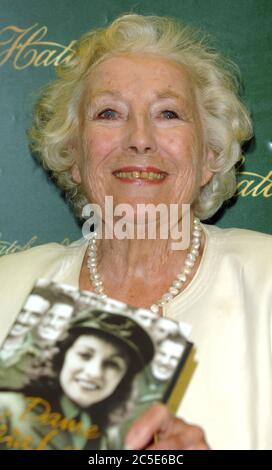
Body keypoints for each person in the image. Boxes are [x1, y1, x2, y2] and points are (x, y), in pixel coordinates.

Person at [0, 13, 271, 450]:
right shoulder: (5, 288)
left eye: (168, 113)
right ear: (74, 153)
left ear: (209, 156)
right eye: (109, 112)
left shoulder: (267, 279)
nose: (140, 138)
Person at [0, 310, 154, 450]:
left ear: (122, 380)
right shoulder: (6, 408)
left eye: (112, 364)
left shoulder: (108, 439)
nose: (94, 372)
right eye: (85, 355)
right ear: (61, 357)